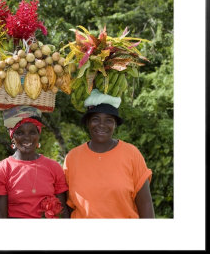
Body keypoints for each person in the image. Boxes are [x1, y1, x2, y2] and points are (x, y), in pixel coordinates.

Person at [64, 90, 155, 218]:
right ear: (88, 123)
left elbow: (145, 204)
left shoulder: (132, 154)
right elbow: (66, 205)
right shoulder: (72, 158)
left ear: (115, 125)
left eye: (109, 120)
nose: (102, 125)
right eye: (95, 119)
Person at [0, 106, 69, 218]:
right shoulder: (0, 170)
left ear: (38, 135)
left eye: (32, 132)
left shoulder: (54, 167)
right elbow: (0, 216)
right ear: (12, 137)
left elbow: (63, 212)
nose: (27, 138)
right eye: (20, 133)